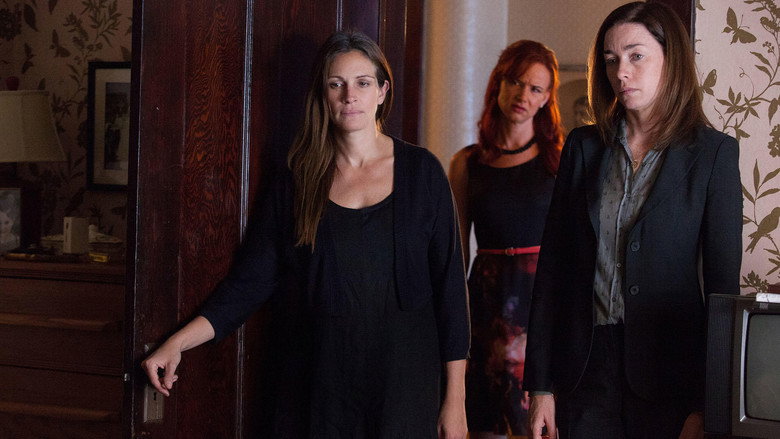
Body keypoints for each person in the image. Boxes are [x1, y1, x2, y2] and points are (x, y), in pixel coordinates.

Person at [141, 30, 470, 438]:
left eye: (362, 83)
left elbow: (450, 289)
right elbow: (250, 282)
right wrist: (177, 342)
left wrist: (455, 399)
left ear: (382, 91)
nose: (350, 96)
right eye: (336, 84)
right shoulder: (298, 179)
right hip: (321, 388)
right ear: (323, 94)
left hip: (406, 388)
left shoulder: (423, 172)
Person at [524, 2, 742, 439]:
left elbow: (723, 292)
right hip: (585, 371)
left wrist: (707, 405)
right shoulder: (583, 147)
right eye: (610, 60)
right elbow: (553, 270)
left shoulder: (713, 154)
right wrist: (541, 387)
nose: (621, 72)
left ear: (671, 59)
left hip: (671, 379)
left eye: (635, 56)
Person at [448, 40, 563, 438]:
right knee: (486, 422)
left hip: (541, 302)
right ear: (498, 83)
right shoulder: (466, 163)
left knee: (538, 423)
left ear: (546, 98)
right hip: (486, 304)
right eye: (515, 81)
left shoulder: (560, 159)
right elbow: (456, 255)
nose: (522, 95)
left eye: (535, 88)